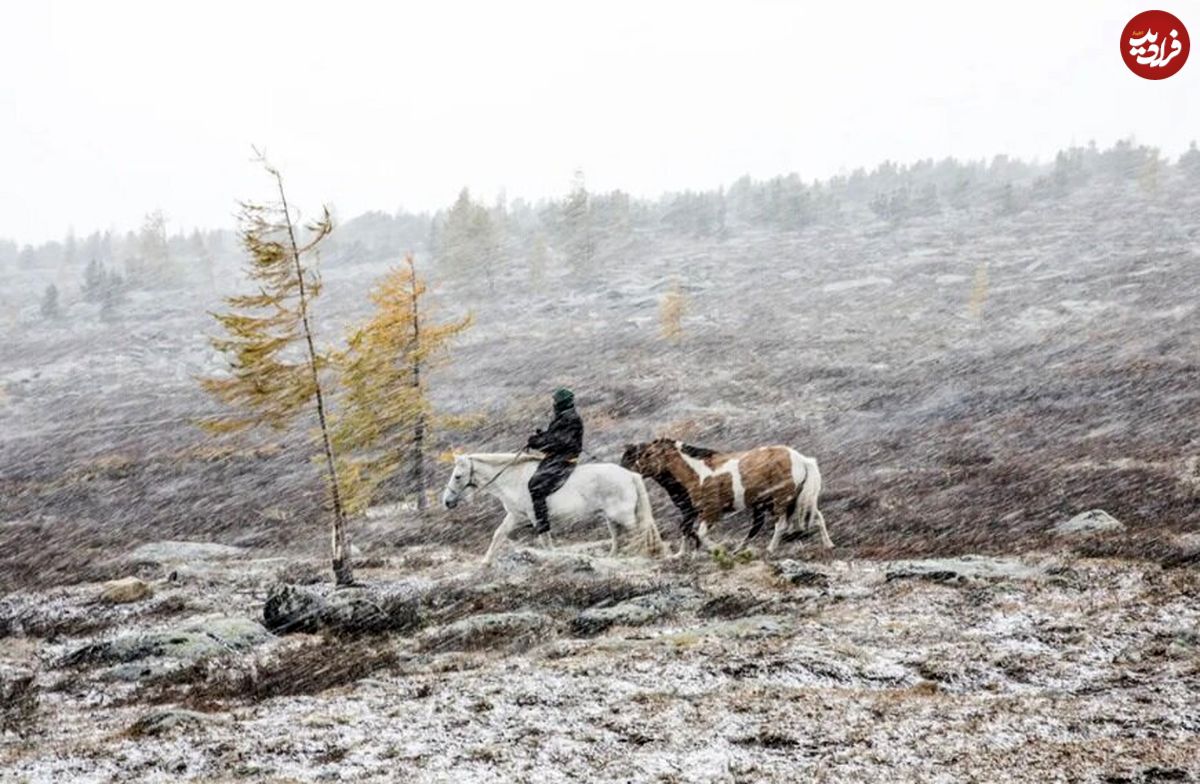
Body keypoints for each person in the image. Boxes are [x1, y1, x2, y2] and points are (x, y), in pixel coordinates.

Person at [525, 387, 584, 534]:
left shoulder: (570, 418)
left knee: (535, 486)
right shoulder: (564, 417)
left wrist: (539, 442)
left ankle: (542, 523)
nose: (554, 404)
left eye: (555, 401)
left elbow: (560, 442)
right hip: (557, 457)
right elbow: (555, 436)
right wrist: (541, 438)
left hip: (564, 458)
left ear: (561, 403)